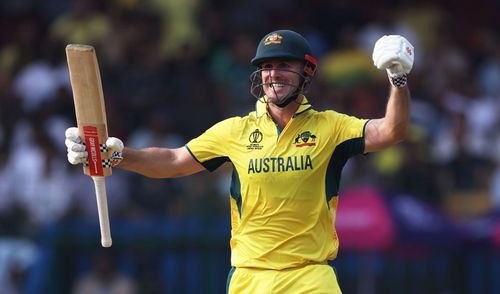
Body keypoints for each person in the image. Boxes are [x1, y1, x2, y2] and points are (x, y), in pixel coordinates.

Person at [65, 29, 414, 293]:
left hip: (310, 276)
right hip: (250, 277)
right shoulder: (235, 131)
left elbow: (391, 131)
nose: (273, 74)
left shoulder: (331, 127)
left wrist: (397, 80)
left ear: (307, 72)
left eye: (284, 66)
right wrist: (115, 154)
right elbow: (173, 160)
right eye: (266, 67)